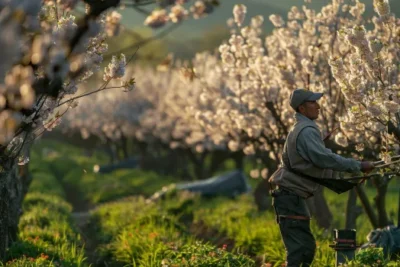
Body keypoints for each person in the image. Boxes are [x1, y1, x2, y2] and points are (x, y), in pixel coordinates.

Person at [268, 88, 375, 267]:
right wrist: (358, 165)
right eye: (313, 103)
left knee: (303, 249)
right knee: (301, 250)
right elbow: (324, 159)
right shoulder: (307, 130)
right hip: (290, 197)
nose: (318, 106)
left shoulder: (303, 128)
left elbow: (317, 162)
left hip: (291, 196)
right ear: (302, 108)